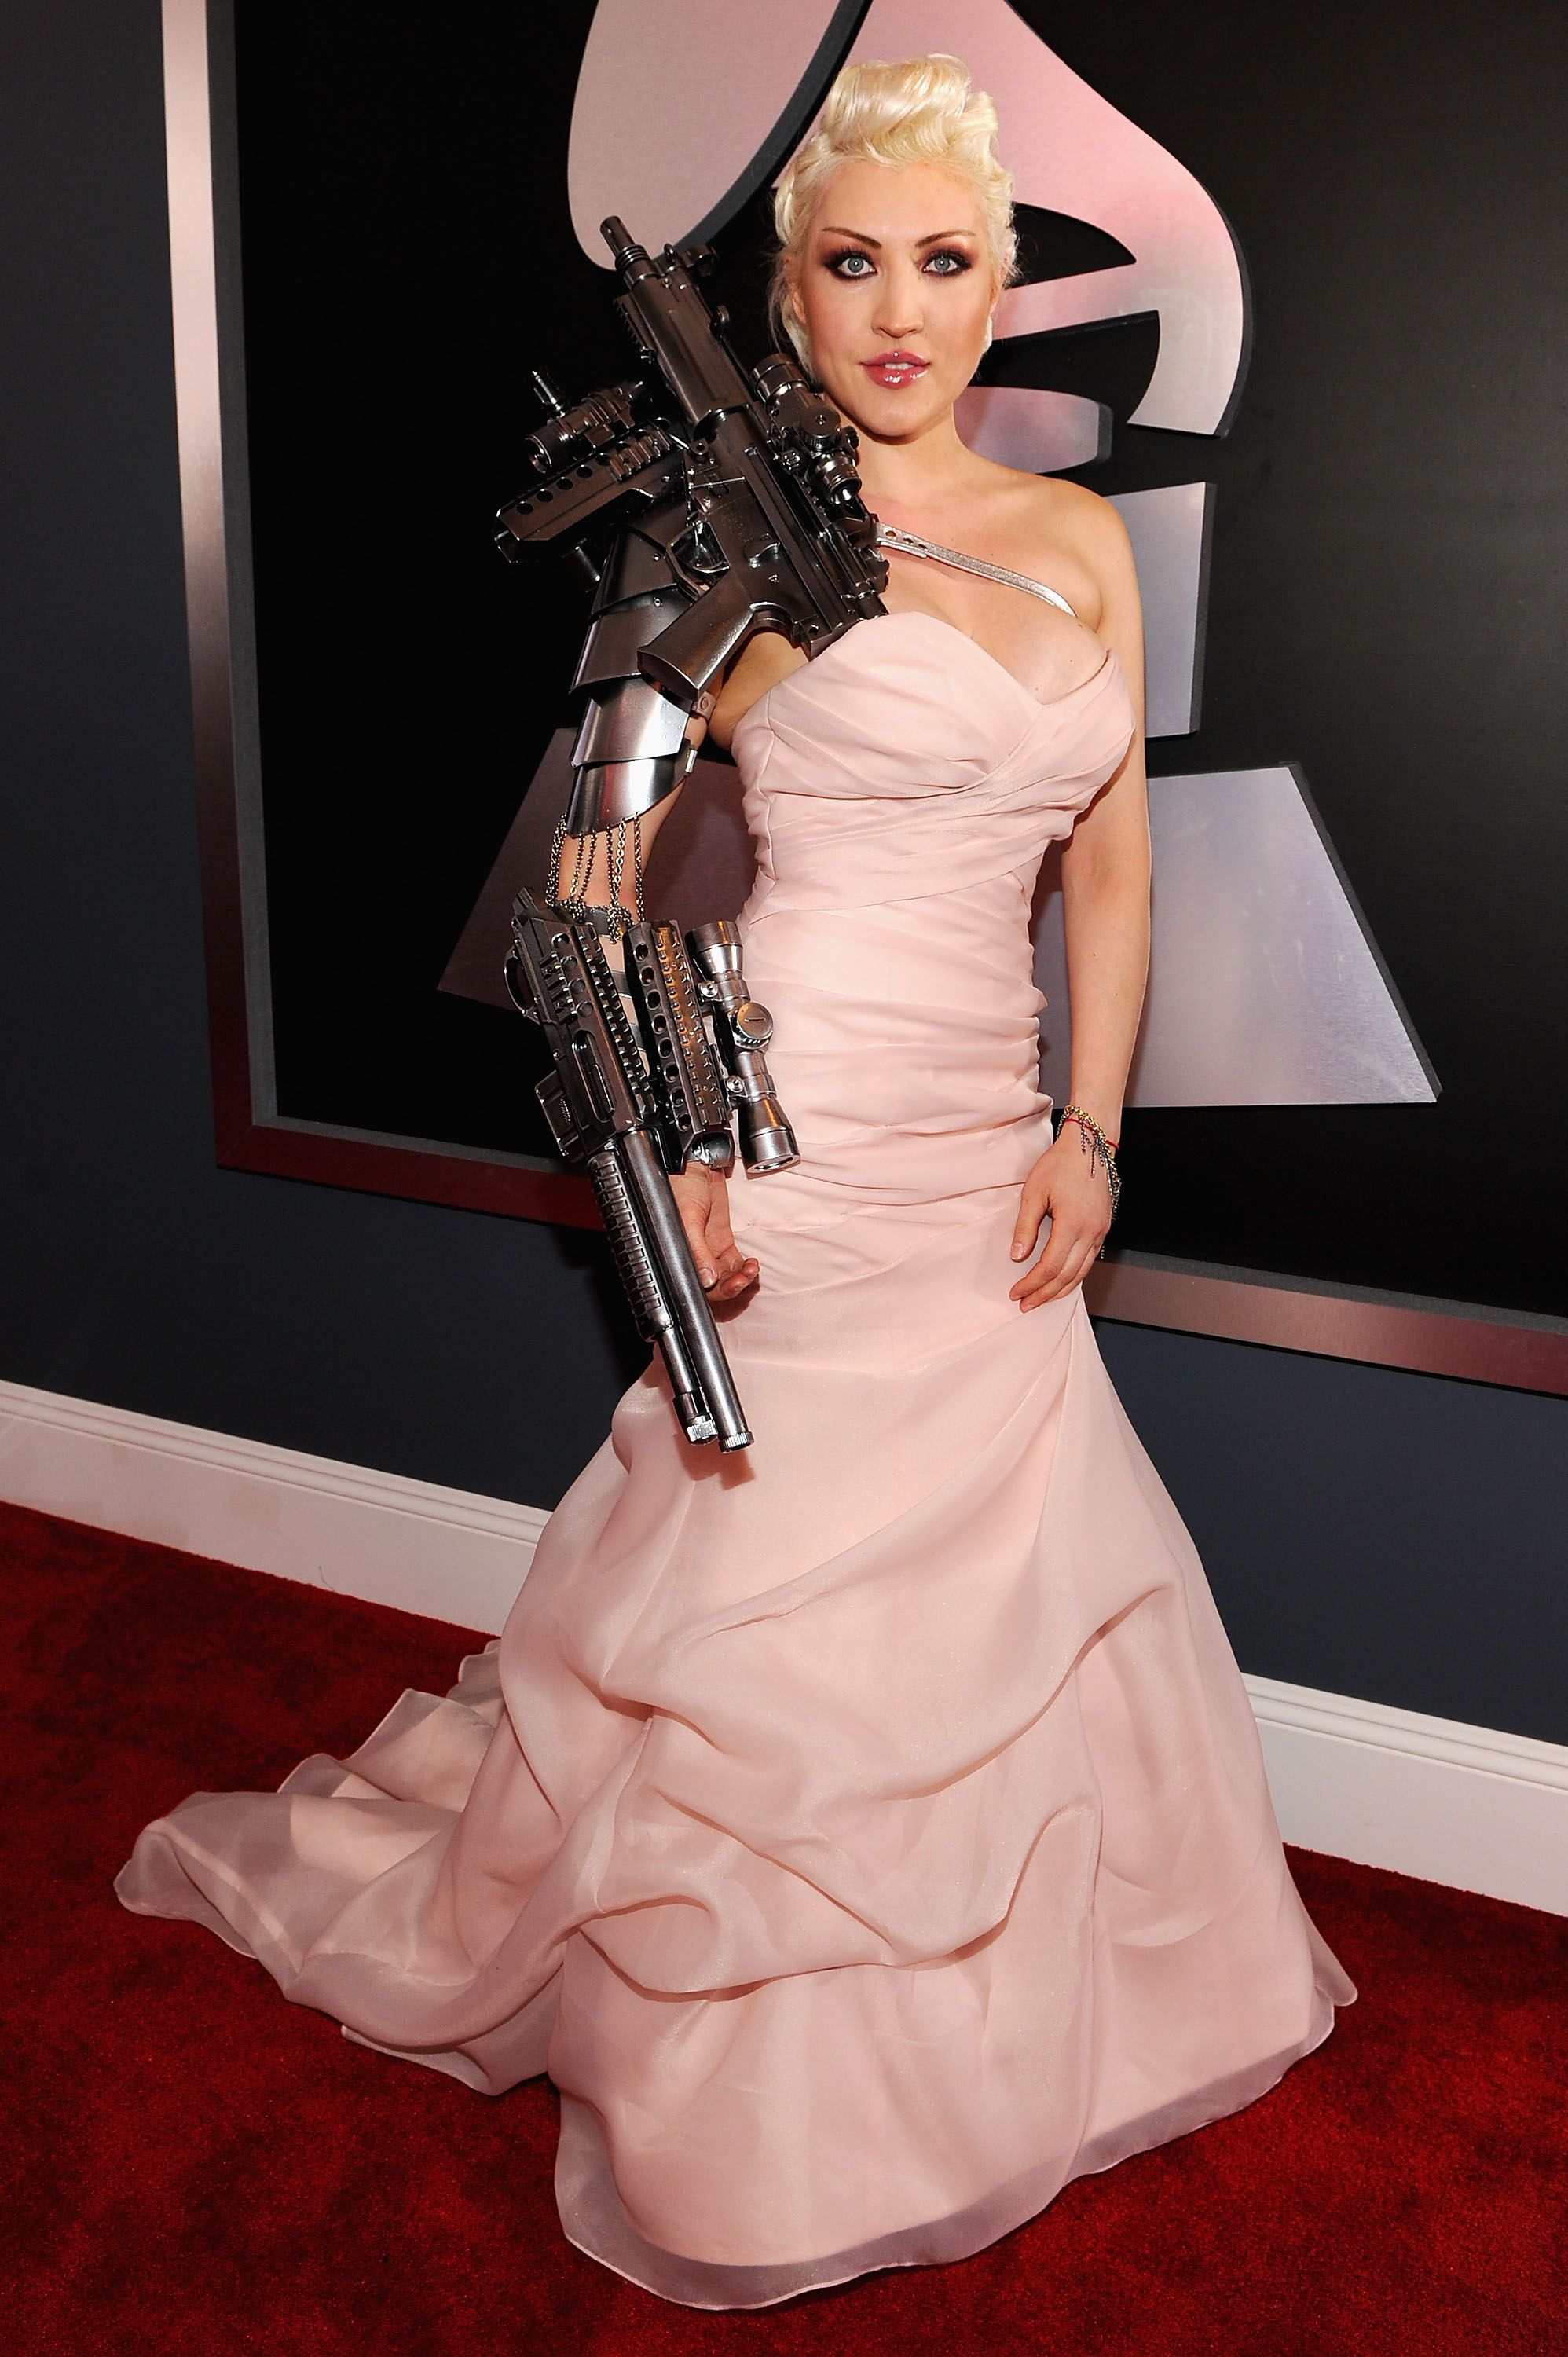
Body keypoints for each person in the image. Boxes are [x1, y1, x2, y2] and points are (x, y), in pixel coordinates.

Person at [116, 53, 1357, 2312]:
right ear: (786, 287)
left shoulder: (1079, 537)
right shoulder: (716, 535)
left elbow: (1107, 863)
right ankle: (749, 2100)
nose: (901, 309)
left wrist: (1095, 1129)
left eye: (947, 261)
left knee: (1011, 1603)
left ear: (1005, 291)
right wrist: (667, 1135)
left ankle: (1010, 2035)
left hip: (988, 1155)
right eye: (850, 259)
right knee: (762, 1627)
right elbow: (592, 884)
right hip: (785, 1140)